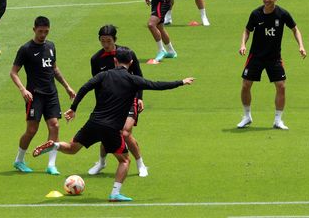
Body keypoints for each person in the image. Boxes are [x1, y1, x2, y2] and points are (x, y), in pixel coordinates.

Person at [31, 47, 194, 202]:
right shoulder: (133, 79)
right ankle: (115, 193)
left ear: (115, 60)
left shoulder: (104, 75)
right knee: (124, 161)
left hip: (93, 122)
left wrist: (73, 108)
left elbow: (85, 87)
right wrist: (181, 81)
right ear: (130, 62)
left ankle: (55, 145)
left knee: (73, 148)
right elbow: (157, 85)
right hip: (111, 128)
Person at [10, 16, 76, 175]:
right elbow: (13, 72)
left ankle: (51, 165)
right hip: (34, 96)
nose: (43, 35)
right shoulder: (25, 49)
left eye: (46, 31)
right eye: (40, 31)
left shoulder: (51, 46)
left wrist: (67, 87)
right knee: (32, 130)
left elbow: (54, 69)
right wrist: (22, 90)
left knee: (55, 126)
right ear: (34, 30)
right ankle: (19, 160)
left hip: (51, 94)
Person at [237, 0, 306, 130]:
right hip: (255, 56)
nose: (267, 0)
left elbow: (295, 29)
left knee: (281, 86)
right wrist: (243, 44)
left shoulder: (282, 14)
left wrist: (301, 46)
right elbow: (247, 30)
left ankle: (278, 120)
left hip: (274, 57)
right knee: (245, 85)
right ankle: (246, 116)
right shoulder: (255, 14)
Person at [87, 25, 149, 178]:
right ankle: (101, 162)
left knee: (126, 133)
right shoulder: (96, 59)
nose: (105, 44)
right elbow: (96, 83)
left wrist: (139, 98)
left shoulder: (126, 53)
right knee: (106, 133)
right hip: (108, 103)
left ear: (115, 40)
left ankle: (141, 164)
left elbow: (139, 77)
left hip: (129, 99)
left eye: (108, 41)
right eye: (102, 41)